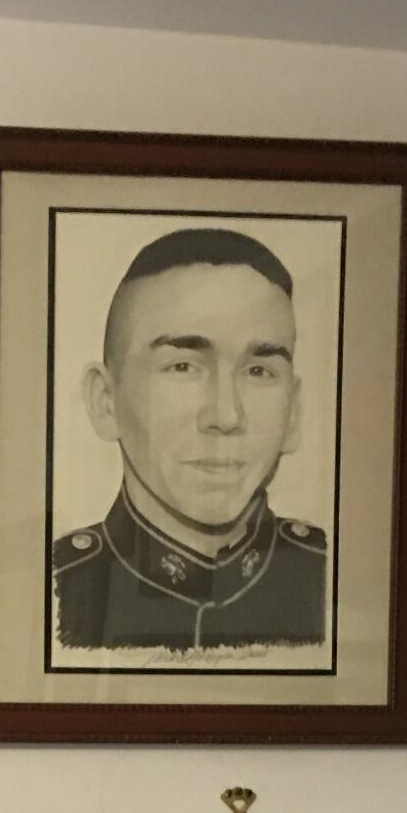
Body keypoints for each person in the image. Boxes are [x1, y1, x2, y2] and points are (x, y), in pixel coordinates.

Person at [52, 226, 329, 657]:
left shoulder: (330, 580)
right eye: (183, 366)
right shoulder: (55, 587)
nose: (226, 416)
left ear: (292, 412)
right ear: (106, 402)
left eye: (259, 371)